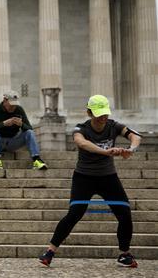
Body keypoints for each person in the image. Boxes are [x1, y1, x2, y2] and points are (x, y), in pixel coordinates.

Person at [39, 95, 142, 268]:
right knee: (75, 213)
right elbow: (82, 143)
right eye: (99, 114)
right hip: (84, 177)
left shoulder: (113, 126)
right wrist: (106, 152)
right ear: (89, 113)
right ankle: (50, 251)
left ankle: (124, 254)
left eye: (105, 114)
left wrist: (131, 149)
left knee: (124, 213)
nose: (103, 118)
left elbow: (135, 136)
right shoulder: (81, 128)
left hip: (108, 177)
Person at [0, 90, 48, 171]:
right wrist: (3, 124)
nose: (13, 107)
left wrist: (21, 124)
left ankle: (36, 159)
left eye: (15, 105)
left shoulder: (19, 109)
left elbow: (29, 129)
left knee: (29, 132)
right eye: (11, 105)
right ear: (5, 100)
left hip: (13, 141)